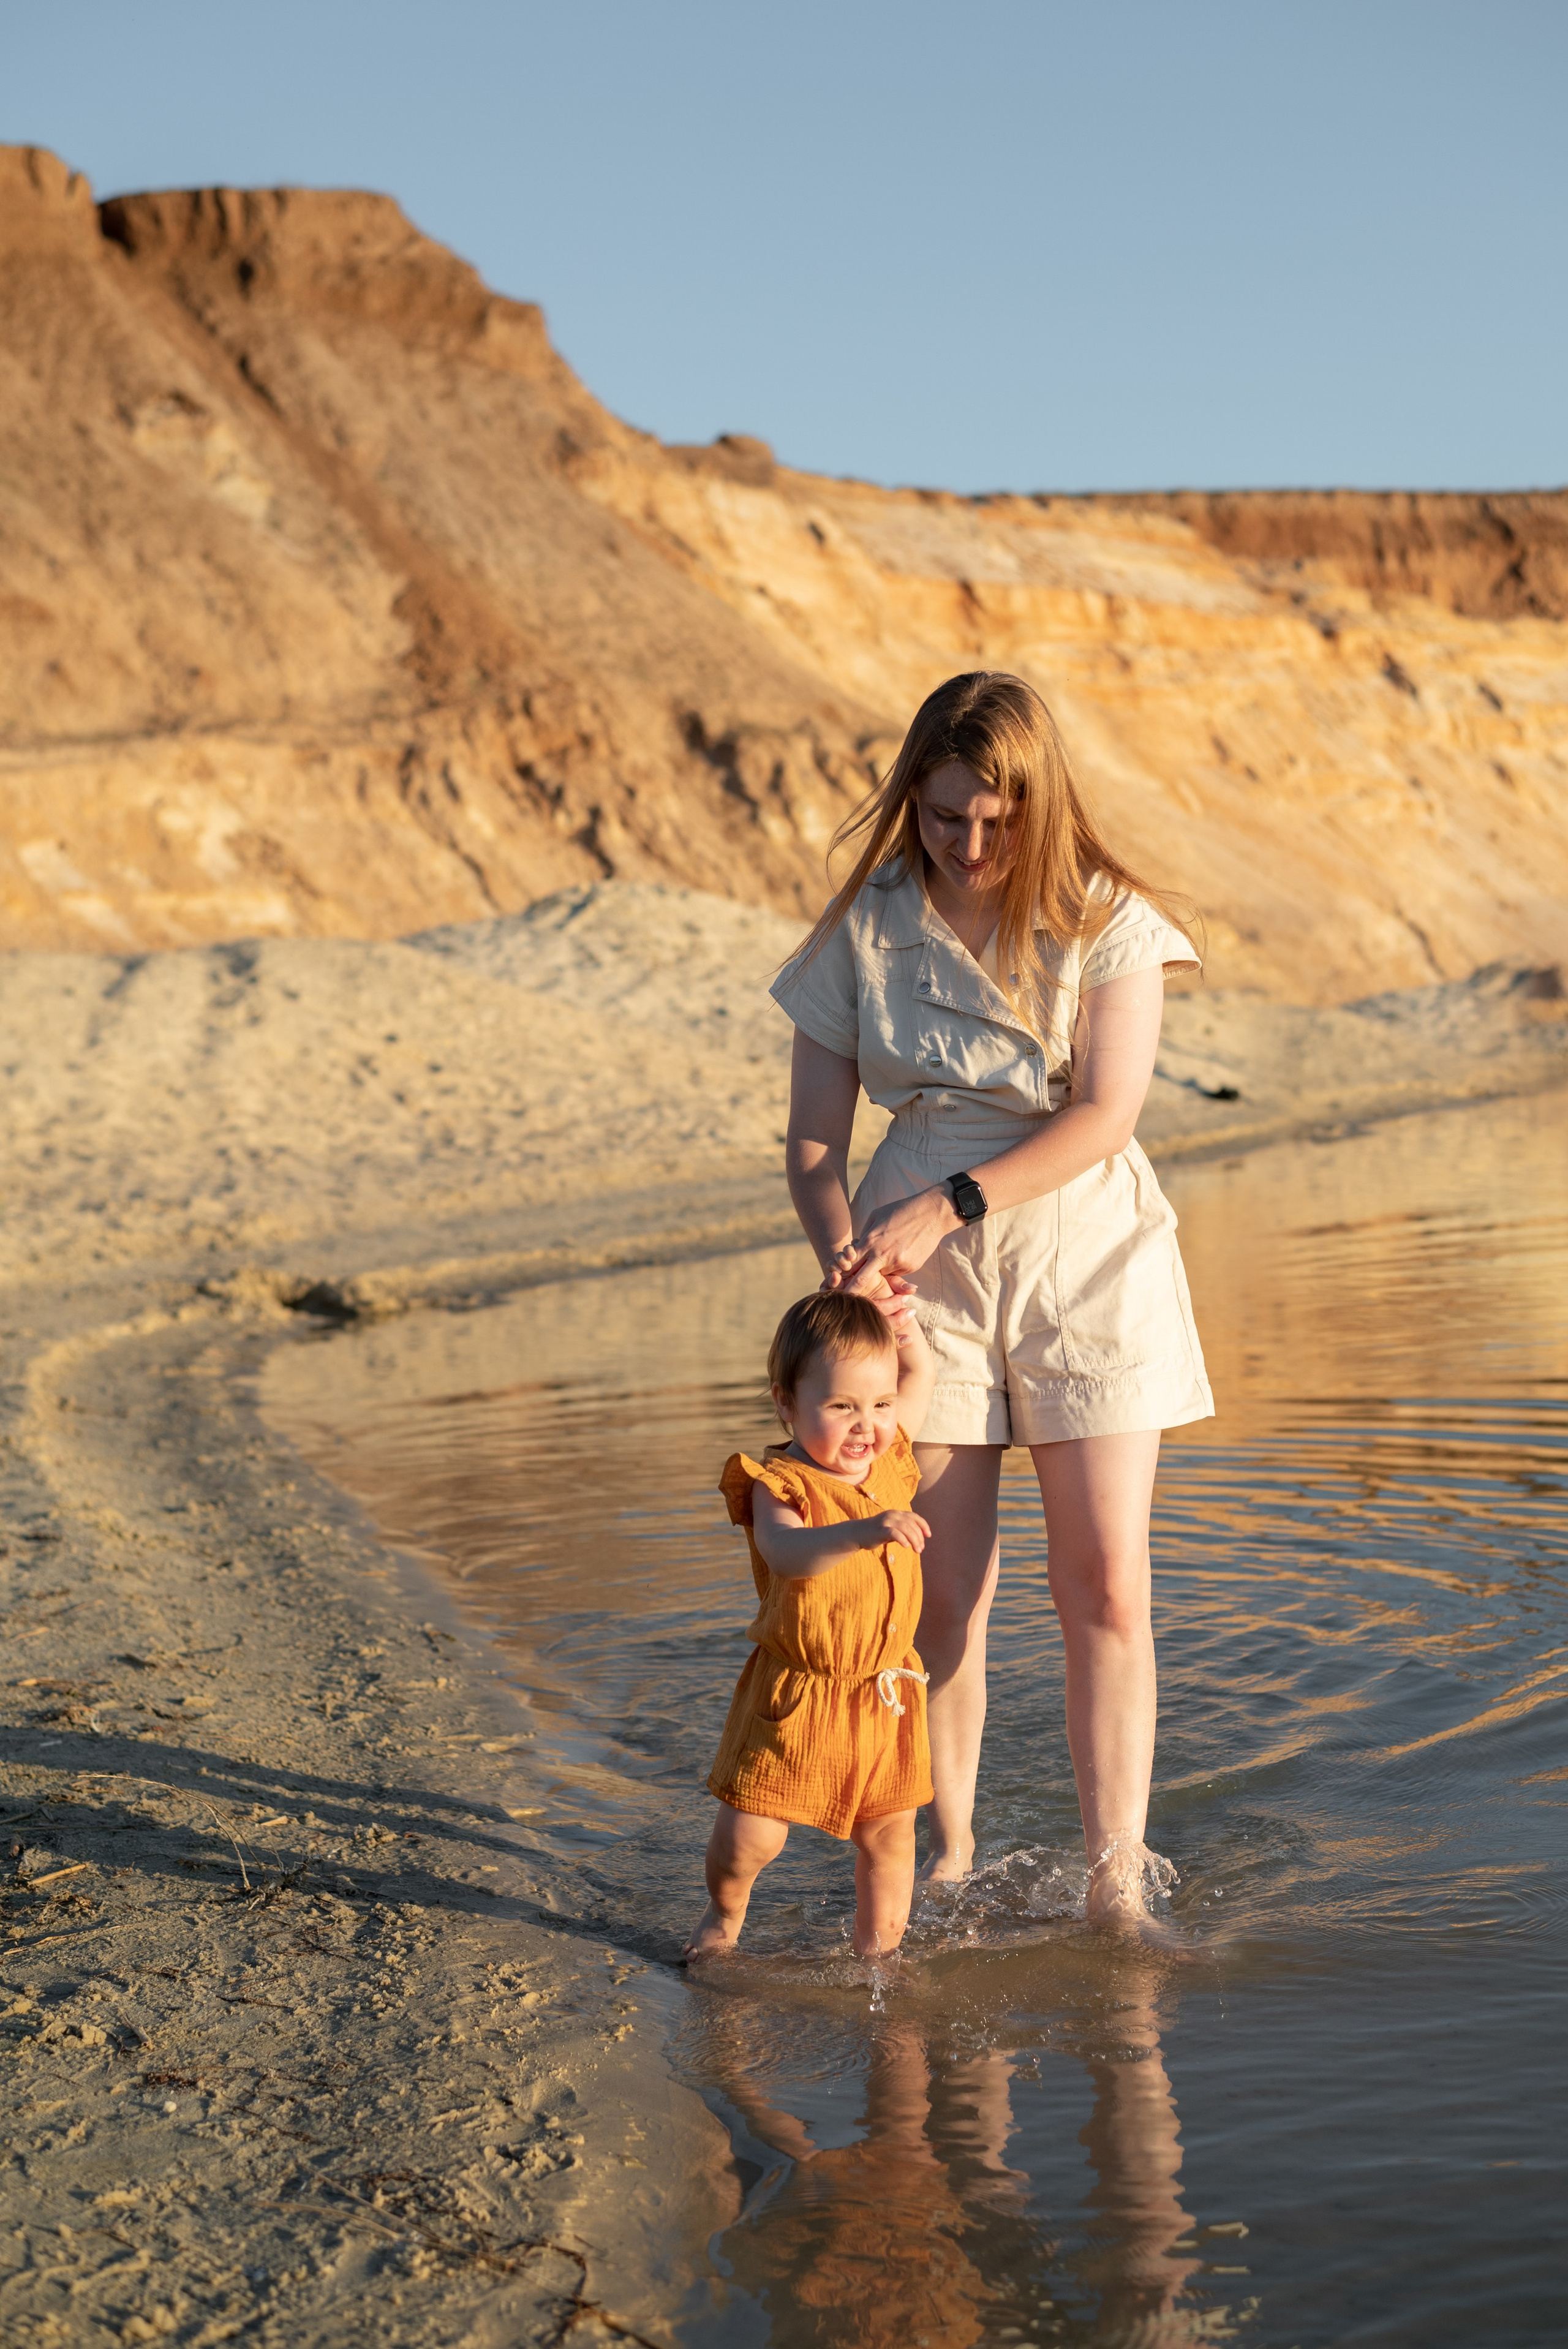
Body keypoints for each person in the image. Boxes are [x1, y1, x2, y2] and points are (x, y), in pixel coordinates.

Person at [771, 671, 1213, 1923]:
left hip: (1086, 1258)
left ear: (1039, 805)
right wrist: (845, 1256)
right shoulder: (866, 924)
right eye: (944, 814)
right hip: (922, 1291)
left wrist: (950, 1202)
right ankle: (949, 1861)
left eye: (994, 819)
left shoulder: (1105, 919)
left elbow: (1101, 1115)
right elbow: (811, 1146)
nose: (968, 845)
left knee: (1105, 1584)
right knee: (937, 1590)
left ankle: (1115, 1878)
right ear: (912, 797)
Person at [686, 1288, 937, 1960]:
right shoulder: (781, 1484)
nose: (868, 1427)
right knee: (753, 1837)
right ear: (786, 1404)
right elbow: (787, 1554)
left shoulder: (889, 1463)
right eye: (841, 1406)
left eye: (880, 1405)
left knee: (891, 1835)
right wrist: (861, 1530)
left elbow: (921, 1376)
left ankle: (878, 1957)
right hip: (800, 1692)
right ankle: (723, 1914)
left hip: (884, 1691)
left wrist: (905, 1331)